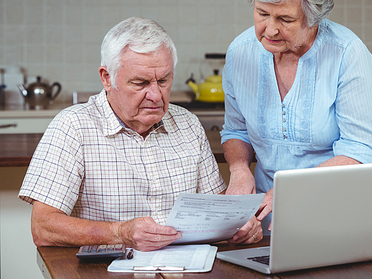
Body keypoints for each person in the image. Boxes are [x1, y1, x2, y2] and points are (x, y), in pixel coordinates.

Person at [18, 17, 262, 251]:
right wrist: (119, 233)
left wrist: (241, 225)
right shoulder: (73, 127)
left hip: (187, 268)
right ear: (107, 78)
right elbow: (43, 227)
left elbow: (219, 210)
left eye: (164, 80)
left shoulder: (188, 123)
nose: (156, 95)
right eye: (140, 83)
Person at [221, 0, 372, 232]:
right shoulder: (240, 53)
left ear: (313, 16)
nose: (270, 29)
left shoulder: (347, 54)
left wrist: (292, 191)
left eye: (285, 19)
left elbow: (359, 149)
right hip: (271, 207)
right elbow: (236, 130)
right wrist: (240, 169)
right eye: (262, 13)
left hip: (347, 208)